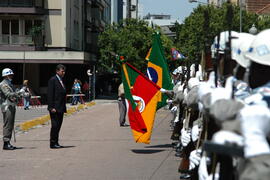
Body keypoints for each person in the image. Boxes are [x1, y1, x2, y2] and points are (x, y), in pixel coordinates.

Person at [47, 64, 67, 149]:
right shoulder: (53, 80)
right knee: (55, 125)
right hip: (55, 108)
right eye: (62, 71)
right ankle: (52, 143)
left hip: (61, 107)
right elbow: (50, 94)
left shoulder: (61, 80)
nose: (63, 73)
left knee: (58, 125)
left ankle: (56, 142)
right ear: (57, 71)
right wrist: (51, 107)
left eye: (64, 71)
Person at [0, 68, 19, 150]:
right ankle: (6, 143)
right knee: (7, 125)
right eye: (10, 75)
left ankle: (8, 142)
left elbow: (14, 95)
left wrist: (19, 94)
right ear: (5, 75)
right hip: (6, 106)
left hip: (11, 105)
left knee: (10, 124)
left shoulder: (9, 83)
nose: (12, 76)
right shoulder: (3, 84)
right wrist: (18, 93)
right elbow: (8, 94)